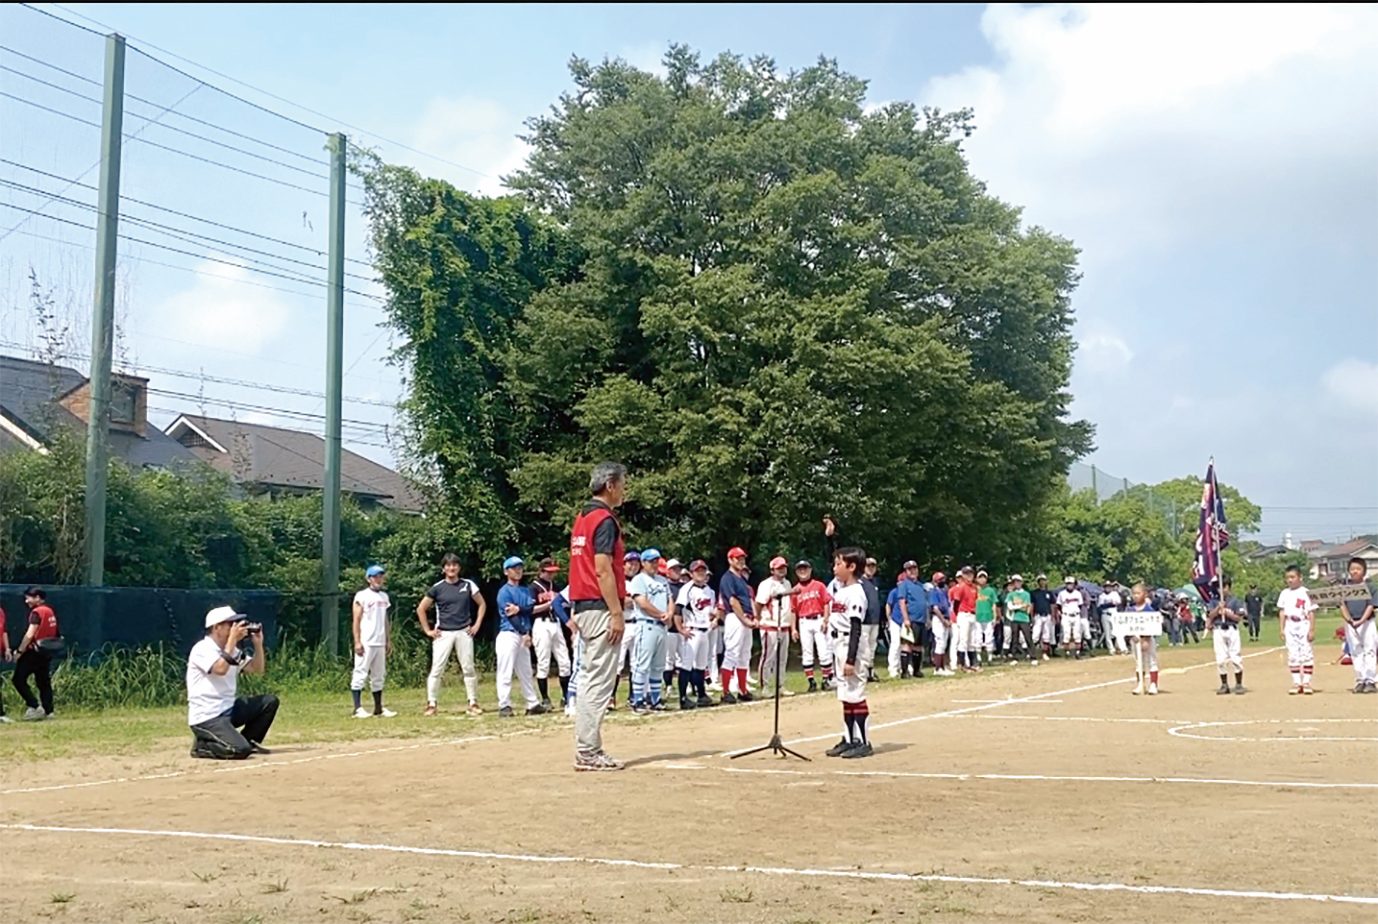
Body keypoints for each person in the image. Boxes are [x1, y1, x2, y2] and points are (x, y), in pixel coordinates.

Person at [569, 462, 629, 771]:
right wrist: (617, 613)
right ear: (610, 485)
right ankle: (588, 751)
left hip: (584, 605)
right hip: (600, 606)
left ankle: (587, 748)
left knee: (590, 678)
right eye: (622, 484)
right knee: (599, 681)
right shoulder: (604, 520)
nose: (623, 490)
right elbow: (602, 569)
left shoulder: (582, 517)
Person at [187, 606, 278, 759]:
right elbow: (220, 669)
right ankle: (202, 747)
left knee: (269, 702)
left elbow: (257, 671)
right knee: (240, 751)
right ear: (217, 628)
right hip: (207, 716)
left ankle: (249, 740)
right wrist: (231, 642)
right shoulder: (202, 649)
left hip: (228, 708)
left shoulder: (233, 651)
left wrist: (258, 644)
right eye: (231, 624)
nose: (236, 628)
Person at [418, 553, 486, 717]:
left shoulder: (468, 585)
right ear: (443, 568)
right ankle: (432, 703)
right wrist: (428, 630)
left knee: (468, 668)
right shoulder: (437, 587)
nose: (451, 568)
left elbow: (482, 604)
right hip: (444, 633)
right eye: (448, 565)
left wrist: (476, 625)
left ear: (459, 568)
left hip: (464, 631)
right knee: (437, 669)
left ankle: (473, 702)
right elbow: (421, 608)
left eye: (454, 565)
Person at [823, 547, 874, 759]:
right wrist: (830, 537)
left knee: (855, 693)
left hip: (850, 644)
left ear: (851, 567)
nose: (834, 567)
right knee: (845, 694)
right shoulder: (842, 589)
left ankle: (863, 741)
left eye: (838, 564)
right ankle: (848, 737)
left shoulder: (856, 593)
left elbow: (855, 627)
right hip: (838, 643)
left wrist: (851, 659)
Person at [495, 556, 544, 717]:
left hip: (523, 634)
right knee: (505, 671)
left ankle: (532, 703)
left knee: (526, 671)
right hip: (509, 633)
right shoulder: (504, 592)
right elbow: (511, 615)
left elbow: (530, 608)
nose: (518, 571)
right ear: (506, 571)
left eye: (520, 568)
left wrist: (520, 609)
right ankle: (504, 705)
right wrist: (524, 633)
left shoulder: (524, 590)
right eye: (514, 568)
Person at [628, 548, 672, 714]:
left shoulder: (662, 580)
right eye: (651, 561)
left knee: (659, 665)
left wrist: (668, 613)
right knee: (641, 664)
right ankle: (638, 700)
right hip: (646, 624)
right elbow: (642, 602)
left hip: (661, 626)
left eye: (656, 561)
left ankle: (655, 699)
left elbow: (670, 599)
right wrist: (661, 614)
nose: (654, 564)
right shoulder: (639, 580)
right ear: (643, 563)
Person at [350, 566, 395, 719]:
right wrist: (357, 641)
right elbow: (356, 619)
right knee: (360, 672)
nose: (378, 579)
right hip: (366, 641)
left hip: (380, 641)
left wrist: (388, 639)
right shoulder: (362, 596)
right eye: (375, 577)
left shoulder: (384, 596)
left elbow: (385, 619)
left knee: (379, 674)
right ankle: (357, 708)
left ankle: (378, 708)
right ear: (369, 579)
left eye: (381, 576)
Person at [674, 560, 716, 708]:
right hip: (692, 630)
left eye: (703, 570)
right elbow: (678, 609)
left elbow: (710, 611)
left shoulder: (709, 590)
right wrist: (680, 628)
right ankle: (683, 698)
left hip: (705, 630)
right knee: (686, 665)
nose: (700, 573)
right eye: (697, 571)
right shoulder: (687, 589)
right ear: (691, 573)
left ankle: (701, 694)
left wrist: (715, 618)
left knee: (701, 665)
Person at [530, 558, 572, 711]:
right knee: (543, 662)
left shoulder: (556, 586)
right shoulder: (534, 587)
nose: (551, 576)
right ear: (541, 571)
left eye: (553, 572)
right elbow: (531, 609)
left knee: (565, 661)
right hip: (541, 624)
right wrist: (550, 603)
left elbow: (565, 604)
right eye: (548, 572)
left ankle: (566, 696)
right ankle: (545, 698)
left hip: (556, 623)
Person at [13, 587, 59, 720]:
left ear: (38, 598)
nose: (26, 601)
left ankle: (34, 706)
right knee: (43, 681)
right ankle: (49, 711)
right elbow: (55, 632)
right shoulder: (50, 611)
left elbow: (30, 634)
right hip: (46, 652)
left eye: (29, 597)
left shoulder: (36, 612)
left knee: (18, 679)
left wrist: (20, 651)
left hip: (33, 652)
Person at [718, 546, 757, 704]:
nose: (741, 561)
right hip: (735, 617)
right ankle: (725, 691)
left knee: (744, 655)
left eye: (742, 558)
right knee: (732, 653)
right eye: (737, 558)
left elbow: (749, 600)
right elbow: (733, 602)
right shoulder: (728, 578)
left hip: (745, 616)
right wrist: (745, 619)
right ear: (730, 560)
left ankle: (742, 689)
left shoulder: (741, 579)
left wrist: (753, 618)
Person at [791, 560, 833, 691]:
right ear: (797, 572)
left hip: (818, 618)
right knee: (807, 652)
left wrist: (826, 620)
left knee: (823, 650)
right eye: (800, 569)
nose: (803, 571)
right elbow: (793, 610)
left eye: (805, 568)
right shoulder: (796, 590)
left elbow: (826, 602)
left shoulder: (819, 585)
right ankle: (811, 681)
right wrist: (793, 628)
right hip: (804, 620)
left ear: (810, 570)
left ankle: (826, 679)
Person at [755, 556, 795, 695]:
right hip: (769, 625)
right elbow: (759, 603)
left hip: (784, 625)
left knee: (782, 658)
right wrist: (758, 618)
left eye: (783, 567)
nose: (782, 570)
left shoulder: (787, 583)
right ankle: (765, 686)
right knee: (768, 657)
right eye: (778, 568)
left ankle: (780, 685)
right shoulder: (766, 584)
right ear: (772, 570)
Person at [1276, 565, 1317, 695]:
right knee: (1293, 654)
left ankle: (1306, 682)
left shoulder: (1306, 592)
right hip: (1290, 624)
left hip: (1303, 623)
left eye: (1293, 577)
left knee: (1306, 653)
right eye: (1288, 577)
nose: (1290, 580)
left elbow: (1311, 612)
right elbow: (1282, 612)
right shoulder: (1284, 593)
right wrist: (1281, 629)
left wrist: (1311, 629)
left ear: (1300, 577)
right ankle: (1296, 682)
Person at [1340, 557, 1377, 694]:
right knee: (1355, 651)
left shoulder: (1370, 587)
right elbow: (1342, 604)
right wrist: (1349, 620)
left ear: (1364, 571)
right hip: (1351, 623)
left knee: (1370, 650)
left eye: (1358, 569)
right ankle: (1360, 679)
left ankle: (1371, 680)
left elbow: (1371, 605)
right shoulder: (1345, 588)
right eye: (1352, 569)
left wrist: (1361, 620)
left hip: (1367, 622)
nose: (1354, 572)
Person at [614, 550, 643, 709]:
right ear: (623, 565)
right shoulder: (619, 581)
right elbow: (621, 602)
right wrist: (636, 600)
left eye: (636, 563)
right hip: (623, 623)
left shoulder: (640, 580)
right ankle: (611, 697)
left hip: (637, 623)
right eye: (630, 563)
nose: (633, 566)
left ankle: (634, 696)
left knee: (636, 663)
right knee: (617, 663)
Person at [1208, 579, 1247, 694]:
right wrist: (1218, 609)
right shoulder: (1214, 601)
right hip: (1219, 629)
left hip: (1231, 629)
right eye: (1219, 588)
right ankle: (1224, 684)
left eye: (1224, 587)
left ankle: (1239, 684)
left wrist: (1228, 613)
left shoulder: (1235, 601)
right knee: (1220, 658)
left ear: (1228, 587)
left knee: (1235, 656)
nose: (1221, 590)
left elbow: (1238, 618)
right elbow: (1210, 615)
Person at [1124, 583, 1160, 696]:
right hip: (1135, 640)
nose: (1136, 596)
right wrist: (1131, 636)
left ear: (1144, 594)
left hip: (1148, 639)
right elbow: (1125, 625)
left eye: (1138, 593)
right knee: (1138, 662)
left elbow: (1152, 625)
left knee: (1151, 661)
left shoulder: (1149, 610)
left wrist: (1146, 639)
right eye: (1134, 593)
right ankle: (1140, 683)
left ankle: (1153, 684)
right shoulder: (1130, 610)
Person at [893, 561, 927, 679]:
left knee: (918, 645)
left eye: (914, 568)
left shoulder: (920, 586)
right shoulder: (904, 585)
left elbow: (924, 603)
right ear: (906, 571)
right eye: (909, 569)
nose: (913, 571)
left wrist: (927, 618)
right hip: (911, 618)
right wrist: (906, 618)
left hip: (921, 619)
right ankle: (904, 671)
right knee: (907, 644)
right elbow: (902, 602)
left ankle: (917, 670)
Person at [663, 559, 688, 693]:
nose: (677, 571)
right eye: (674, 569)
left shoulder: (684, 587)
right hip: (670, 627)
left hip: (684, 626)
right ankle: (668, 685)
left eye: (678, 569)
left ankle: (685, 685)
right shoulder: (665, 586)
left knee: (684, 658)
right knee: (669, 658)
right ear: (668, 571)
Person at [949, 566, 979, 672]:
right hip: (963, 614)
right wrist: (957, 615)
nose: (969, 575)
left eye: (970, 573)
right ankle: (962, 664)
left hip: (972, 614)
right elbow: (956, 602)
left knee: (972, 640)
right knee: (963, 640)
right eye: (966, 574)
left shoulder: (974, 587)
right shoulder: (961, 587)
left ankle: (973, 664)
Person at [859, 557, 883, 682]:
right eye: (868, 566)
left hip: (875, 620)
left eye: (873, 566)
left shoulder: (875, 582)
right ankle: (863, 671)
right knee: (864, 648)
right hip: (864, 620)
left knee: (872, 647)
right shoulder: (860, 582)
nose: (871, 568)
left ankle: (870, 671)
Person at [1004, 575, 1036, 664]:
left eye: (1018, 582)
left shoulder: (1026, 594)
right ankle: (1015, 657)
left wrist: (1019, 607)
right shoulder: (1011, 594)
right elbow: (1010, 607)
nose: (1016, 583)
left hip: (1024, 618)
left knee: (1028, 637)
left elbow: (1027, 607)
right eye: (1015, 582)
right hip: (1015, 618)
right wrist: (1021, 606)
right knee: (1014, 638)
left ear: (1021, 583)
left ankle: (1033, 656)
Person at [974, 570, 1000, 666]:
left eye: (984, 577)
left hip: (988, 616)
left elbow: (993, 604)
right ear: (977, 579)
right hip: (977, 617)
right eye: (980, 577)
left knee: (989, 637)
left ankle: (990, 658)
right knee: (978, 637)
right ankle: (978, 658)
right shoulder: (974, 589)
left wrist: (995, 616)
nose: (982, 579)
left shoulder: (990, 590)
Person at [1057, 577, 1086, 659]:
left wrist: (1075, 612)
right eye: (1068, 584)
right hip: (1066, 615)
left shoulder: (1077, 593)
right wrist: (1062, 613)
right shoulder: (1062, 594)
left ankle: (1077, 652)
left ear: (1074, 584)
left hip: (1076, 615)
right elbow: (1058, 605)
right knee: (1066, 634)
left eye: (1071, 584)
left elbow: (1080, 605)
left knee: (1077, 634)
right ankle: (1067, 652)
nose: (1069, 585)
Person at [1031, 574, 1056, 660]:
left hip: (1047, 615)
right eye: (1040, 581)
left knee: (1046, 635)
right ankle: (1032, 653)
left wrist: (1053, 616)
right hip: (1038, 615)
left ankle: (1045, 653)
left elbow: (1052, 605)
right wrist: (1031, 616)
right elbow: (1032, 605)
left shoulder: (1049, 593)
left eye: (1043, 580)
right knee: (1035, 635)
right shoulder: (1034, 593)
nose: (1042, 582)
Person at [1097, 581, 1126, 655]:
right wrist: (1110, 604)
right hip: (1105, 615)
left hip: (1114, 614)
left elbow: (1117, 603)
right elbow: (1100, 606)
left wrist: (1107, 604)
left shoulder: (1115, 594)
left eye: (1109, 586)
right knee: (1107, 633)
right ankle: (1111, 649)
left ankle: (1122, 648)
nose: (1108, 588)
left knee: (1118, 632)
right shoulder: (1101, 596)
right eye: (1106, 586)